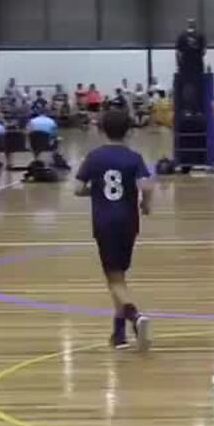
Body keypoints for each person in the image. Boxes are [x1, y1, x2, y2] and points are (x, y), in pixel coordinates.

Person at [74, 109, 153, 351]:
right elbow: (146, 185)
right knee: (119, 277)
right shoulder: (134, 157)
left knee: (114, 279)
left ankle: (135, 316)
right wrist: (145, 204)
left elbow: (78, 188)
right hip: (129, 222)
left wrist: (95, 191)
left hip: (105, 221)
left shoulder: (95, 157)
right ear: (129, 130)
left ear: (101, 129)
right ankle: (119, 335)